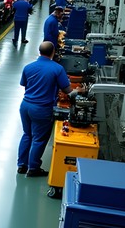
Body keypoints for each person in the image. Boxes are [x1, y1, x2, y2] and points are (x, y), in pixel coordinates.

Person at [17, 41, 85, 177]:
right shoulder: (57, 68)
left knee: (27, 134)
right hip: (41, 109)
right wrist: (80, 90)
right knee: (39, 139)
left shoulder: (28, 67)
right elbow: (69, 92)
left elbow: (25, 85)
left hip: (25, 106)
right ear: (53, 52)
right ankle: (33, 168)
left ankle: (21, 165)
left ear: (39, 51)